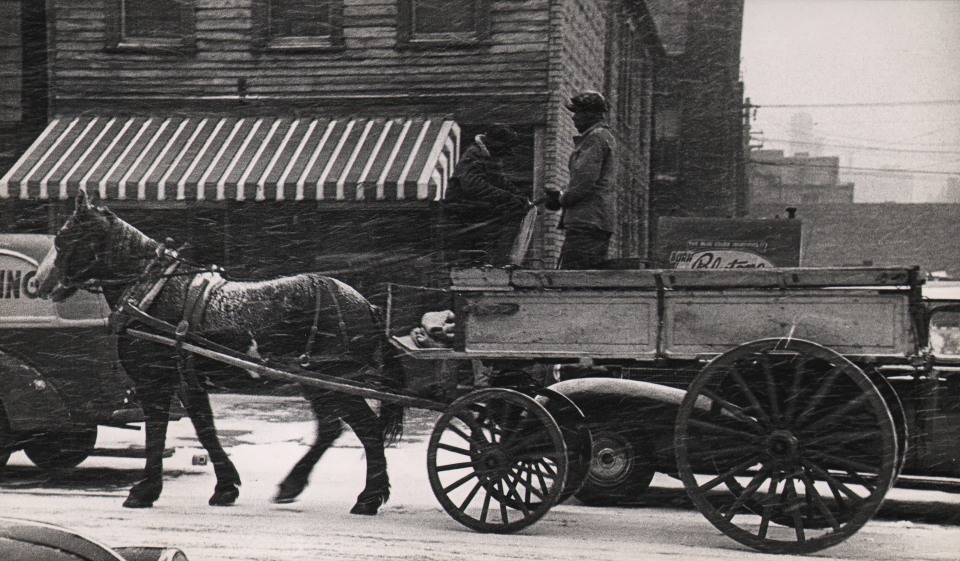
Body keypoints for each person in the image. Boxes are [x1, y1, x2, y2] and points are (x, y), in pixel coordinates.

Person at [544, 91, 617, 269]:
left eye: (578, 113)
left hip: (586, 222)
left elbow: (584, 182)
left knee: (571, 281)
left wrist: (561, 198)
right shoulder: (602, 137)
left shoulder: (594, 139)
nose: (574, 118)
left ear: (591, 114)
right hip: (595, 221)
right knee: (586, 280)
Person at [442, 124, 530, 267]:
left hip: (476, 213)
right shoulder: (474, 154)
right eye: (504, 149)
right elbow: (473, 185)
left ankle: (496, 262)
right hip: (461, 216)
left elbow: (501, 181)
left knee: (481, 256)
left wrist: (521, 197)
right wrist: (508, 197)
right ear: (495, 145)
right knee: (463, 262)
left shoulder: (491, 157)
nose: (504, 155)